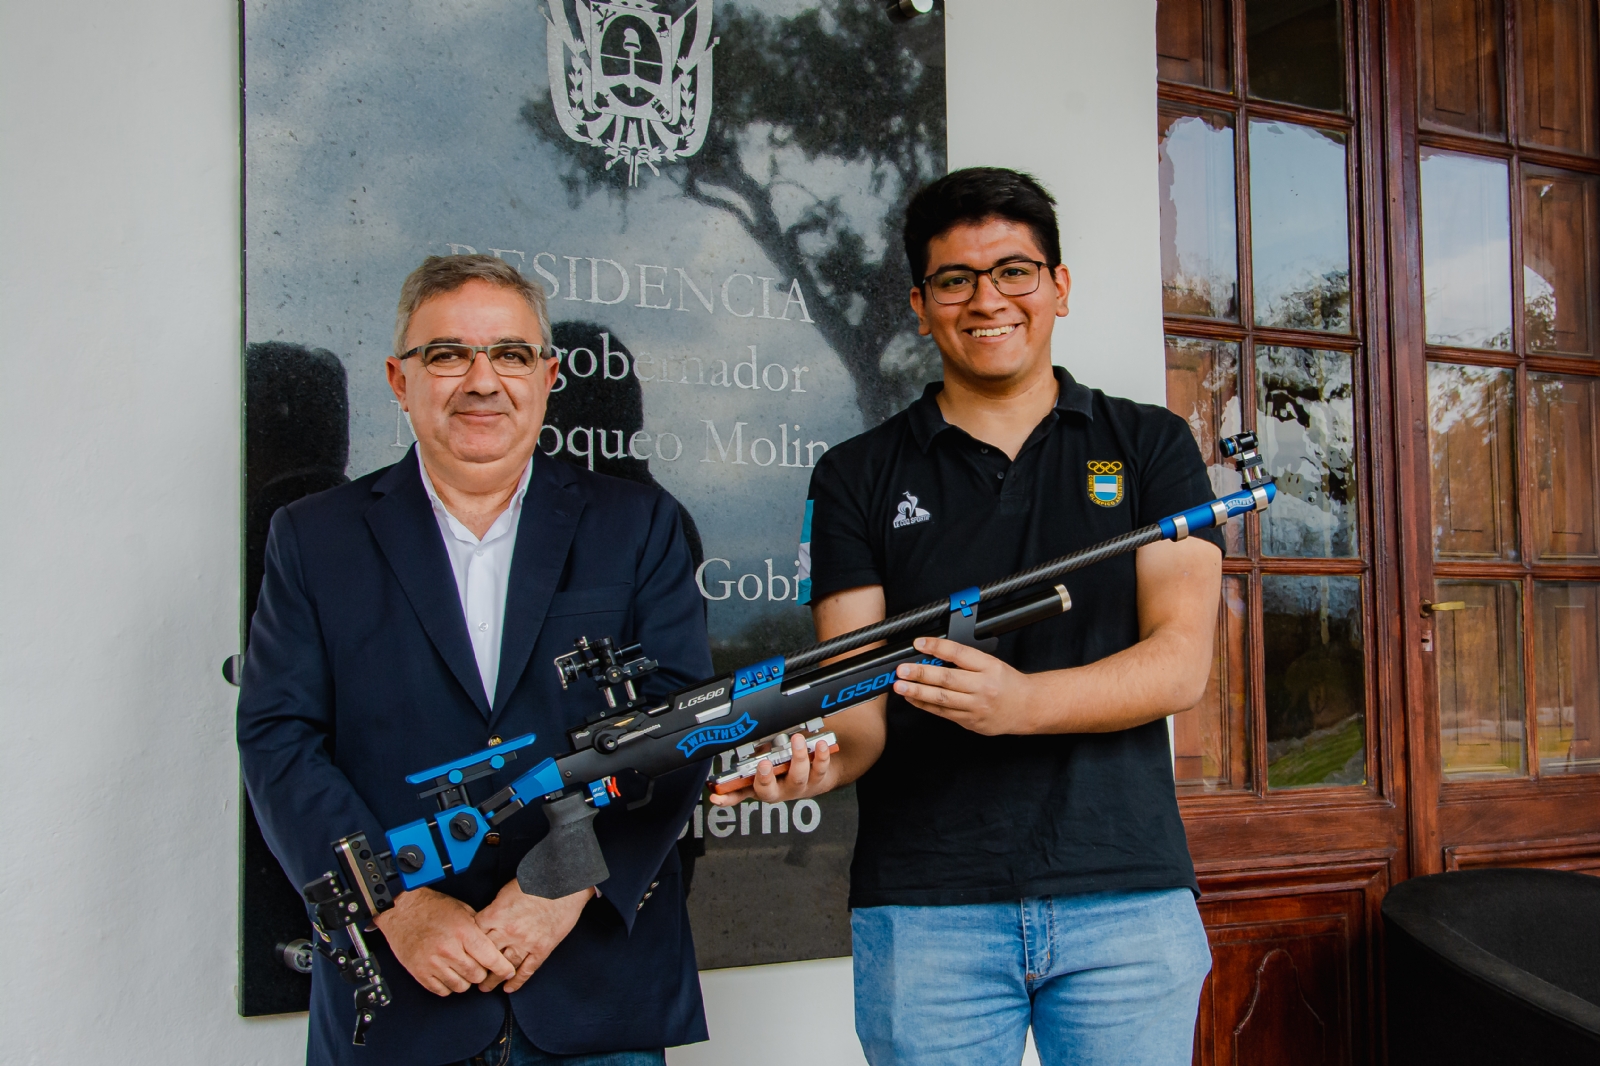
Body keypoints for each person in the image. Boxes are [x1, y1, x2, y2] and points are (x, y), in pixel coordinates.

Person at [714, 168, 1223, 1065]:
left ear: (1059, 287)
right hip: (925, 909)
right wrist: (812, 767)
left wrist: (1022, 705)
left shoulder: (1150, 445)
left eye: (1014, 271)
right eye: (955, 280)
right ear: (921, 306)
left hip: (1124, 895)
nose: (987, 300)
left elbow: (1180, 662)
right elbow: (854, 712)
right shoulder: (855, 476)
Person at [238, 254, 710, 1066]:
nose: (482, 381)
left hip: (594, 997)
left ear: (548, 377)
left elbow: (683, 720)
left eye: (511, 354)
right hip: (402, 998)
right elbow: (279, 737)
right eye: (448, 353)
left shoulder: (640, 526)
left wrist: (563, 883)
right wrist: (394, 905)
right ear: (400, 379)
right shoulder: (313, 539)